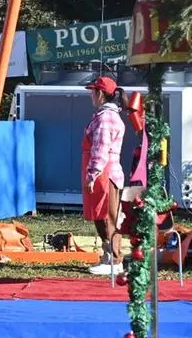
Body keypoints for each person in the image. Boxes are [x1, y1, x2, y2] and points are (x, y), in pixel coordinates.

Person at [82, 76, 127, 275]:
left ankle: (115, 260)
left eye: (93, 91)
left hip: (105, 172)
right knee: (101, 215)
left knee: (108, 216)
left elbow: (101, 149)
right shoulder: (104, 115)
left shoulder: (105, 118)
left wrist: (92, 174)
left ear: (100, 93)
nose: (91, 95)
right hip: (105, 172)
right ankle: (108, 255)